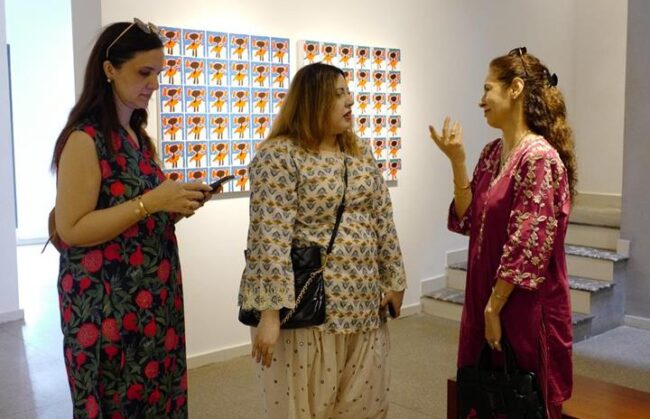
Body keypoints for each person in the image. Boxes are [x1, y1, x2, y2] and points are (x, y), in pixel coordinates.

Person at [51, 18, 212, 418]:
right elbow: (72, 228)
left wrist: (174, 206)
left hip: (152, 301)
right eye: (144, 72)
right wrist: (151, 203)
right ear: (109, 69)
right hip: (107, 306)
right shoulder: (84, 140)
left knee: (156, 397)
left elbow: (137, 218)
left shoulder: (137, 138)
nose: (154, 83)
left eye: (158, 73)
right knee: (117, 401)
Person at [238, 62, 407, 419]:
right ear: (313, 100)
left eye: (348, 92)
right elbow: (269, 237)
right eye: (338, 94)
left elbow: (382, 217)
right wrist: (269, 313)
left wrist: (395, 279)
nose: (350, 101)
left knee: (361, 406)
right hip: (311, 309)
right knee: (307, 408)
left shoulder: (359, 153)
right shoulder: (279, 156)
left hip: (363, 304)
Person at [428, 47, 576, 418]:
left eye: (487, 89)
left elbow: (529, 244)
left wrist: (495, 308)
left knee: (521, 400)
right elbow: (468, 219)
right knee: (484, 398)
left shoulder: (538, 158)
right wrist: (458, 161)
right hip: (486, 298)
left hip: (521, 307)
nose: (481, 100)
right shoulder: (493, 152)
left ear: (515, 89)